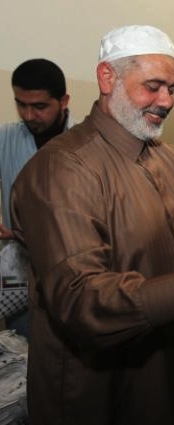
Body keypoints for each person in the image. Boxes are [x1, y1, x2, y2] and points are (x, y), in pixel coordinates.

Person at [9, 25, 174, 425]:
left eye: (173, 88)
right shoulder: (60, 170)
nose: (166, 101)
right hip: (104, 395)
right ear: (107, 78)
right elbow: (81, 300)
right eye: (153, 86)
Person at [0, 58, 74, 336]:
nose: (29, 115)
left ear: (63, 101)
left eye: (40, 106)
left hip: (71, 272)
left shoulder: (85, 141)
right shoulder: (6, 137)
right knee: (21, 353)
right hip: (19, 275)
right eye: (21, 104)